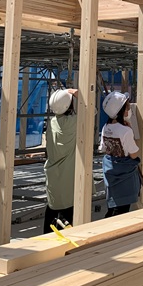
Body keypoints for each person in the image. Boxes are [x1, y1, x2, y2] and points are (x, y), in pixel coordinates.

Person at [99, 90, 141, 217]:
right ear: (121, 110)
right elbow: (134, 154)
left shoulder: (105, 127)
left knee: (113, 207)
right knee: (121, 211)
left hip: (110, 172)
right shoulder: (126, 131)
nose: (129, 109)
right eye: (127, 107)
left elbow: (103, 148)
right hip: (125, 176)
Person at [43, 88, 78, 232]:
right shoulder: (72, 122)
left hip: (52, 172)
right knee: (67, 213)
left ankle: (45, 238)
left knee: (52, 209)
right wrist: (78, 95)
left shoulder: (52, 122)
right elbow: (91, 111)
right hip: (67, 174)